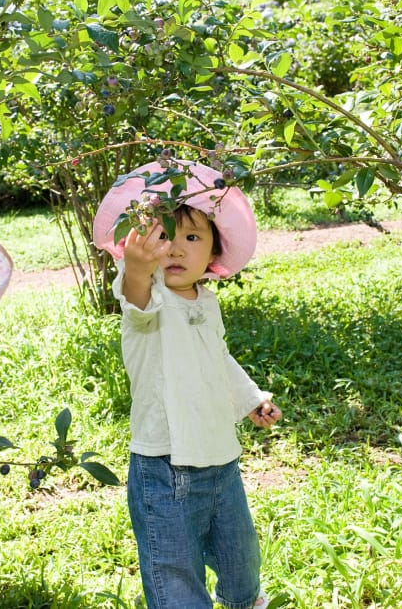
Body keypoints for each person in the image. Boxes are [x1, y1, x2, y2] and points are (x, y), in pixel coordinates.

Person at [92, 160, 284, 609]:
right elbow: (136, 297)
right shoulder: (148, 296)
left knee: (240, 558)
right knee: (174, 569)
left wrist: (251, 399)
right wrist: (137, 268)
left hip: (220, 457)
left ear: (214, 251)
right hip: (164, 465)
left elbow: (217, 357)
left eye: (192, 238)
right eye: (163, 236)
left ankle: (243, 601)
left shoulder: (206, 302)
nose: (176, 249)